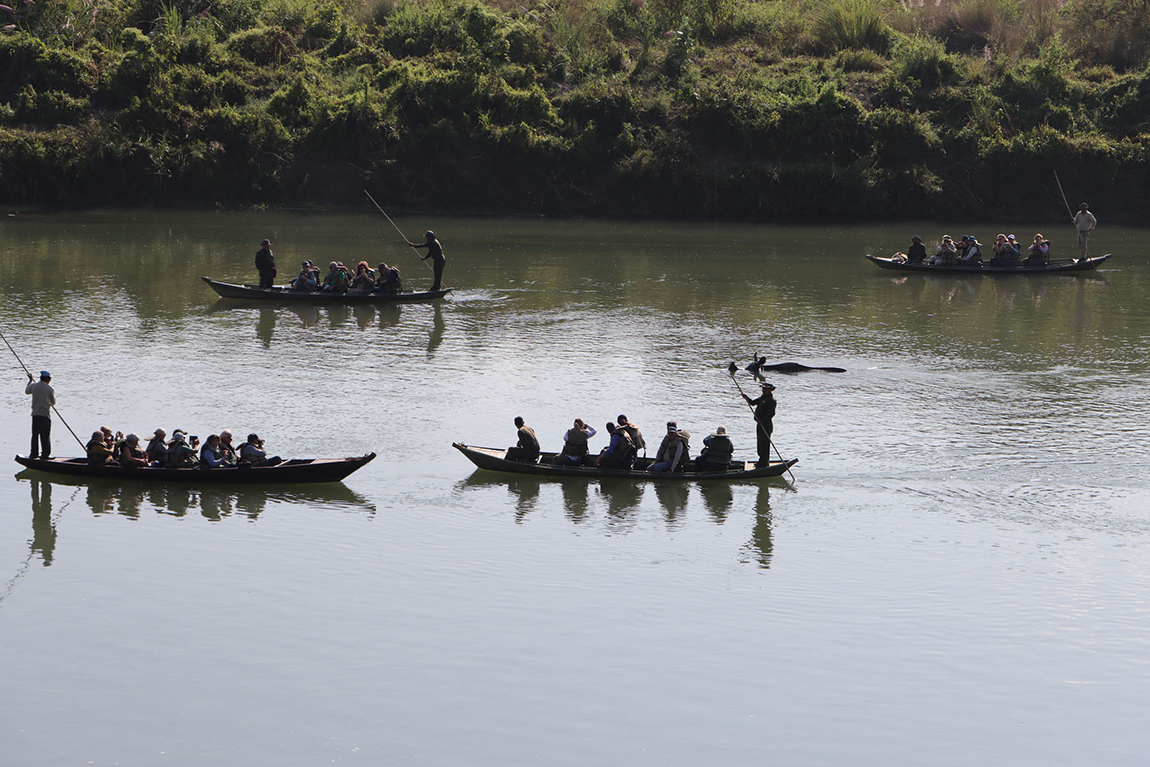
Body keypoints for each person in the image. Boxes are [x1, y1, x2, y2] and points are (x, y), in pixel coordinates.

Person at [743, 382, 777, 465]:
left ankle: (765, 462)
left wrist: (762, 420)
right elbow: (753, 403)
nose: (763, 390)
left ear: (769, 390)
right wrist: (746, 398)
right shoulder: (763, 397)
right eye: (763, 389)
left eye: (765, 389)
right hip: (759, 424)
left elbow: (771, 414)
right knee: (760, 443)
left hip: (766, 425)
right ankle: (761, 460)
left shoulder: (771, 400)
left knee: (765, 444)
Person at [25, 370, 55, 459]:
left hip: (35, 415)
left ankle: (34, 454)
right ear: (47, 379)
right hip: (45, 416)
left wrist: (30, 381)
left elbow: (27, 391)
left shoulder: (34, 386)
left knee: (35, 435)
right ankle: (45, 455)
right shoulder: (49, 389)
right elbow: (53, 402)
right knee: (45, 436)